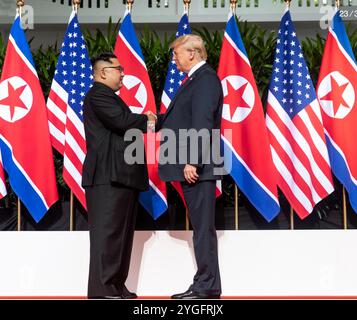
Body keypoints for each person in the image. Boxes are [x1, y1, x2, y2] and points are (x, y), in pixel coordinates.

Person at [82, 52, 156, 299]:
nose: (123, 73)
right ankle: (102, 290)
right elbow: (122, 121)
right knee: (108, 235)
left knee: (121, 236)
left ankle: (115, 286)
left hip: (120, 176)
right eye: (118, 69)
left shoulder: (108, 96)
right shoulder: (99, 94)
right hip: (107, 177)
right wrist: (149, 119)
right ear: (103, 72)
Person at [157, 35, 223, 299]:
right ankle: (205, 283)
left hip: (199, 167)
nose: (174, 60)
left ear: (193, 53)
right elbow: (184, 118)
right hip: (195, 166)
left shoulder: (205, 79)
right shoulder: (196, 80)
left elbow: (202, 123)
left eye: (177, 55)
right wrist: (159, 120)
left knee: (203, 229)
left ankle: (206, 286)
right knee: (201, 228)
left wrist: (193, 160)